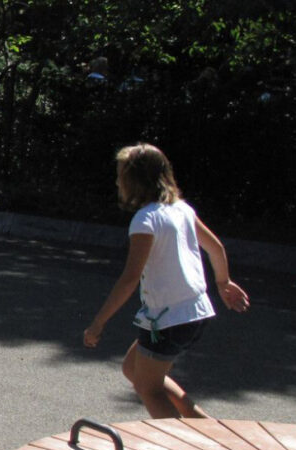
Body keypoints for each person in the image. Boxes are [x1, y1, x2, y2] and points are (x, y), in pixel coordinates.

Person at [83, 143, 249, 419]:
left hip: (169, 320)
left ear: (133, 181)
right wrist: (223, 282)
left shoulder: (145, 220)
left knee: (149, 389)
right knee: (133, 369)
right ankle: (207, 428)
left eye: (120, 174)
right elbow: (216, 248)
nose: (116, 180)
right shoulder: (181, 209)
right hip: (195, 313)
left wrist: (98, 323)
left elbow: (129, 278)